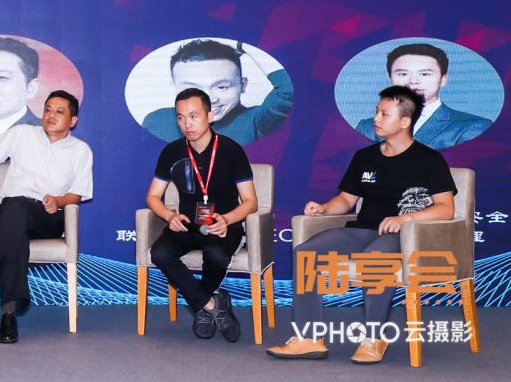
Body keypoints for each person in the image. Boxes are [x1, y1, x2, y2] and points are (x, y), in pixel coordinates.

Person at [268, 85, 457, 364]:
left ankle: (373, 338)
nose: (376, 118)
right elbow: (346, 200)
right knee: (305, 253)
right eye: (376, 112)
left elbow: (446, 208)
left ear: (405, 121)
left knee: (375, 258)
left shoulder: (429, 160)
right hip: (362, 230)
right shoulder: (365, 157)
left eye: (384, 114)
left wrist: (404, 219)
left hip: (405, 235)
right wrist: (324, 208)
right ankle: (309, 338)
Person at [0, 90, 93, 344]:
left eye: (59, 111)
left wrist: (59, 201)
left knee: (16, 215)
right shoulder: (22, 133)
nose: (51, 115)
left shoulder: (80, 150)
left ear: (73, 120)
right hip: (8, 210)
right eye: (48, 109)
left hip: (47, 216)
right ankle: (8, 316)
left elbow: (78, 194)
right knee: (15, 223)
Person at [145, 88, 257, 343]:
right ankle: (212, 304)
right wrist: (169, 216)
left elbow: (251, 202)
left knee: (216, 254)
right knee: (160, 253)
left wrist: (227, 219)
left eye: (194, 116)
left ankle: (203, 308)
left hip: (223, 226)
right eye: (181, 117)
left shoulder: (231, 150)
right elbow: (152, 196)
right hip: (187, 225)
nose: (187, 124)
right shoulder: (172, 152)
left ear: (210, 115)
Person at [141, 39, 293, 145]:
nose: (209, 100)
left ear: (242, 85)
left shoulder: (257, 121)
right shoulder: (157, 122)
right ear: (175, 88)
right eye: (193, 89)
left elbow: (288, 88)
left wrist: (243, 45)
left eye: (221, 87)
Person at [353, 43, 491, 149]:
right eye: (403, 74)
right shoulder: (367, 127)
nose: (413, 81)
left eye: (425, 74)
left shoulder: (472, 126)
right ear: (390, 78)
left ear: (443, 80)